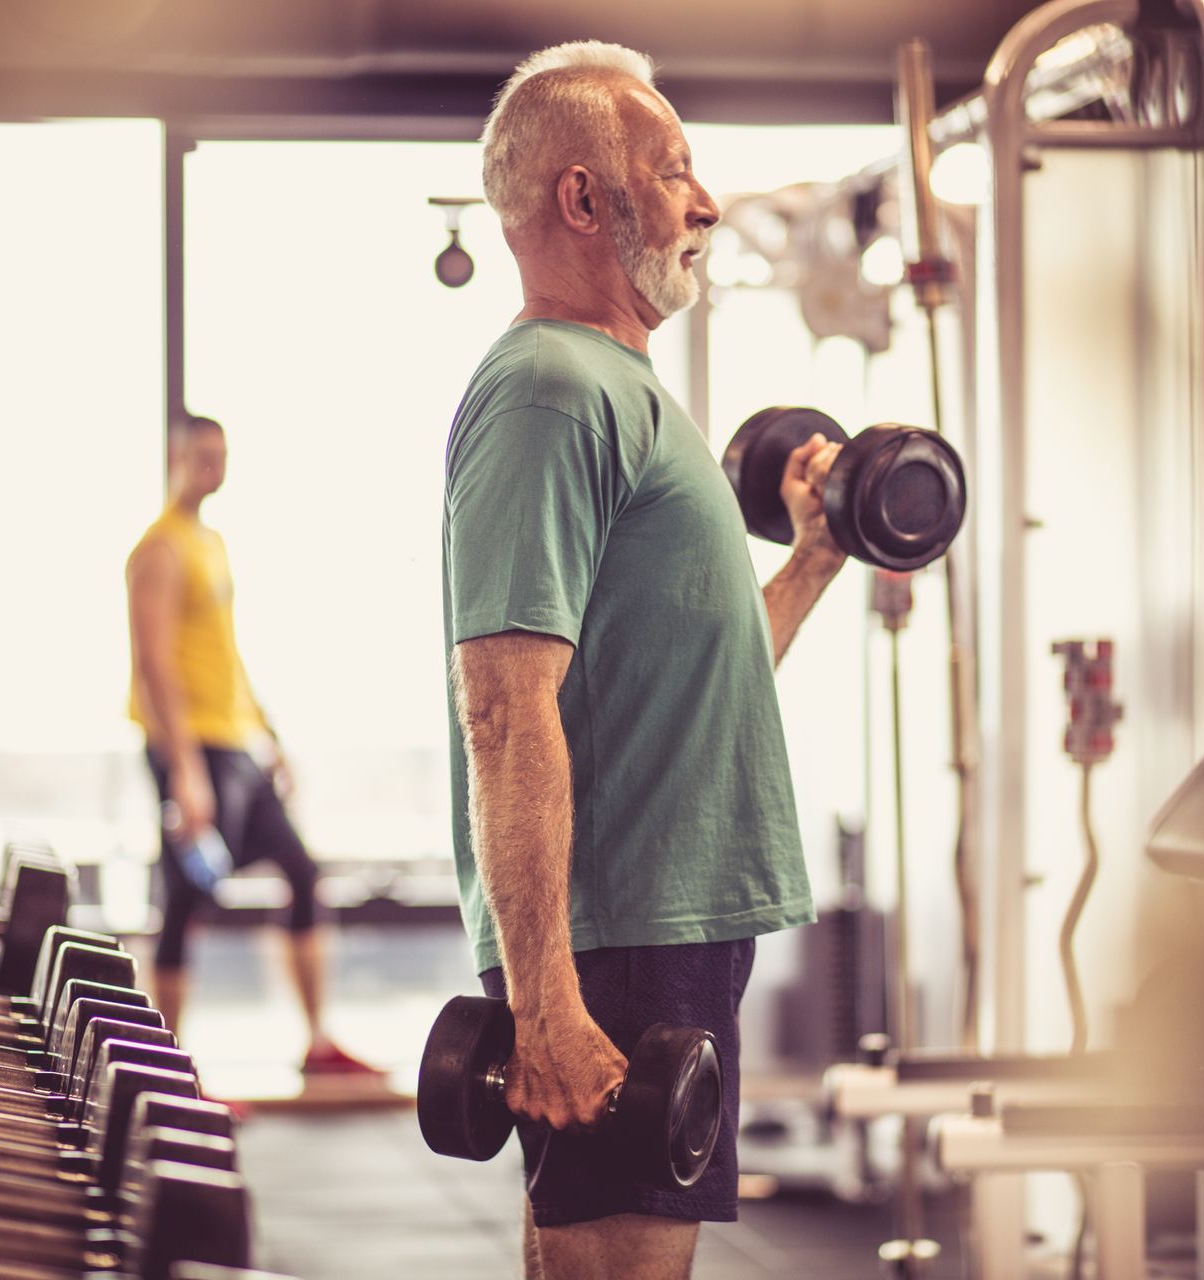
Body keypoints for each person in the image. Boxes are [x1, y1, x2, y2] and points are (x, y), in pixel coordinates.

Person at [441, 41, 845, 1280]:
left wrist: (814, 561)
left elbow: (699, 688)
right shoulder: (556, 390)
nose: (707, 202)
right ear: (581, 197)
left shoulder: (622, 388)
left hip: (656, 926)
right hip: (618, 937)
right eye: (675, 173)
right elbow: (505, 711)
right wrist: (545, 996)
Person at [127, 413, 378, 1077]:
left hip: (237, 745)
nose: (216, 468)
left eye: (222, 456)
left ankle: (318, 1044)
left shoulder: (211, 542)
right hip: (193, 751)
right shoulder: (159, 548)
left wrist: (271, 736)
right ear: (176, 459)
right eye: (203, 456)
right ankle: (167, 1069)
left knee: (301, 872)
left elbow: (227, 657)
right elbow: (154, 663)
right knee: (185, 899)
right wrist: (184, 769)